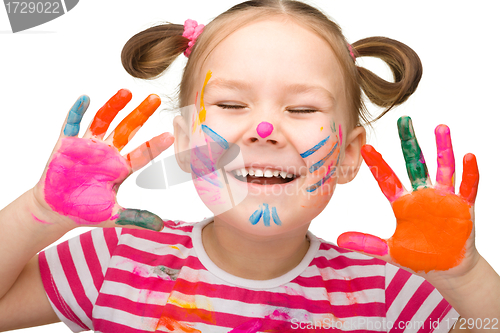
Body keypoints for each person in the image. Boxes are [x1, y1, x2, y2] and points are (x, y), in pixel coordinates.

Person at [0, 0, 499, 332]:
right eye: (232, 105)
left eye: (302, 109)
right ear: (185, 141)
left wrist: (466, 277)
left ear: (349, 155)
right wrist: (40, 212)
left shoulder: (384, 293)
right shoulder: (118, 258)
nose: (264, 129)